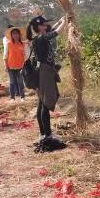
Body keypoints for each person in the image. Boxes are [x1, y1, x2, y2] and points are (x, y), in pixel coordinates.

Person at [26, 15, 68, 151]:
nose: (46, 26)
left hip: (43, 71)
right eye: (44, 24)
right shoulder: (41, 38)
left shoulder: (39, 38)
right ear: (39, 27)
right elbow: (56, 32)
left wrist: (61, 20)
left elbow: (53, 30)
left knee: (41, 103)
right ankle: (47, 135)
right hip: (44, 72)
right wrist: (65, 22)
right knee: (45, 103)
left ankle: (44, 133)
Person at [4, 26, 29, 101]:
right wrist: (6, 65)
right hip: (10, 66)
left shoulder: (23, 44)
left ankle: (22, 97)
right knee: (12, 82)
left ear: (19, 35)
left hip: (21, 66)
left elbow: (26, 55)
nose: (15, 35)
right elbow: (5, 55)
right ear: (11, 35)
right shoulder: (8, 44)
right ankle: (12, 97)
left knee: (21, 82)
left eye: (17, 33)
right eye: (14, 34)